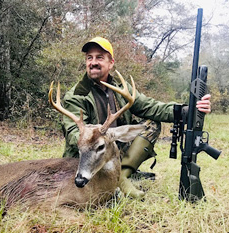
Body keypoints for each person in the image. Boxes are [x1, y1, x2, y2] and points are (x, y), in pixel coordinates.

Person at [61, 37, 212, 198]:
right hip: (89, 157)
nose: (93, 62)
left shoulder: (120, 88)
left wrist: (186, 110)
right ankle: (114, 176)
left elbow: (150, 107)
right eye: (89, 58)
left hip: (115, 149)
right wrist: (99, 136)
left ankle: (122, 174)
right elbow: (73, 133)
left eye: (99, 57)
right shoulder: (76, 95)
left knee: (151, 123)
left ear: (111, 63)